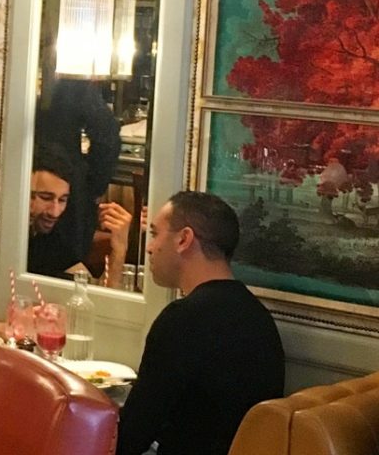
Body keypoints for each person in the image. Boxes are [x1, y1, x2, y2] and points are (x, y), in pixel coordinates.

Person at [118, 191, 285, 455]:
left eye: (155, 234)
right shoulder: (258, 316)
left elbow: (131, 436)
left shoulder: (182, 319)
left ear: (184, 239)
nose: (149, 247)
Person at [27, 143, 133, 285]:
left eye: (62, 200)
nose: (55, 212)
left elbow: (88, 292)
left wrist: (119, 251)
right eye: (45, 198)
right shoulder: (3, 238)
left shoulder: (55, 238)